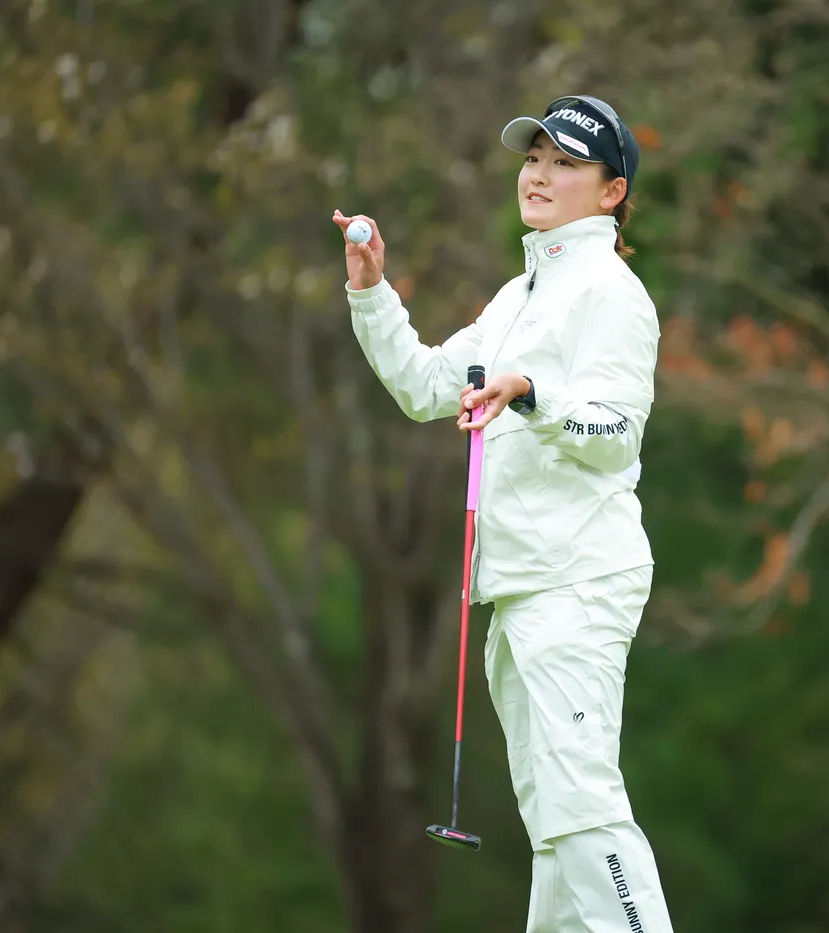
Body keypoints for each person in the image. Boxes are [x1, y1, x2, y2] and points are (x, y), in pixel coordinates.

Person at [333, 94, 674, 932]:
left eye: (565, 163)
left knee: (582, 809)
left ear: (611, 192)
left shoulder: (612, 293)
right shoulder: (519, 295)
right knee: (555, 828)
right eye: (533, 159)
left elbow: (616, 433)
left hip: (577, 583)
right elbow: (424, 386)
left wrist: (531, 394)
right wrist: (372, 293)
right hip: (521, 591)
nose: (539, 175)